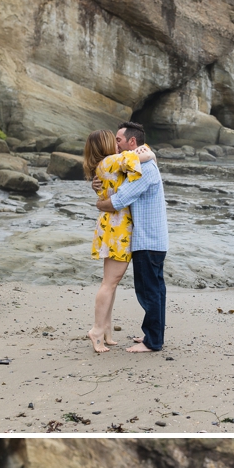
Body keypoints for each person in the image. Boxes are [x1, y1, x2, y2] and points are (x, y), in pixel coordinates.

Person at [94, 120, 169, 353]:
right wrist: (98, 184)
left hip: (148, 240)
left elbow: (119, 200)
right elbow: (115, 183)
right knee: (155, 290)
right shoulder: (136, 166)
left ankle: (152, 342)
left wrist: (99, 204)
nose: (116, 145)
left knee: (149, 292)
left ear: (132, 142)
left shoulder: (145, 170)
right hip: (149, 240)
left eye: (119, 140)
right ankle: (152, 334)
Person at [80, 130, 154, 354]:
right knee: (110, 282)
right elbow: (147, 156)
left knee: (110, 282)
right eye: (114, 141)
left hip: (110, 225)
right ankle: (96, 331)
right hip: (118, 227)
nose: (118, 145)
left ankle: (107, 331)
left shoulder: (102, 165)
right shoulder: (112, 161)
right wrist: (144, 149)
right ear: (106, 144)